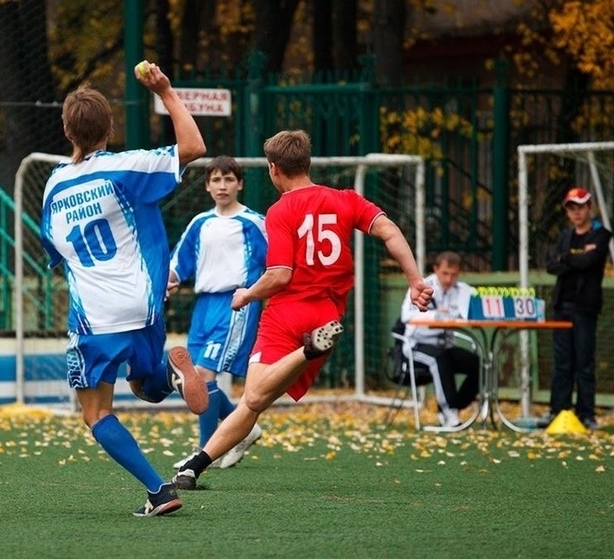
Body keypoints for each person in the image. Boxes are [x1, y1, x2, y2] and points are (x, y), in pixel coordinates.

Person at [172, 129, 434, 489]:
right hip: (326, 315)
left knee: (254, 397)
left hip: (286, 314)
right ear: (307, 163)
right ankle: (195, 467)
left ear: (274, 168)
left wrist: (247, 295)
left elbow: (280, 275)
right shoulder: (345, 199)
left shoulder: (281, 210)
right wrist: (415, 279)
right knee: (254, 399)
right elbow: (389, 230)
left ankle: (305, 351)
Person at [39, 61, 209, 517]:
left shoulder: (53, 185)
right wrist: (165, 91)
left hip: (96, 315)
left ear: (66, 130)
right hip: (144, 301)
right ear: (110, 128)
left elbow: (57, 256)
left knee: (96, 414)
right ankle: (169, 376)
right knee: (144, 384)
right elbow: (194, 146)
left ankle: (159, 491)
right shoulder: (126, 167)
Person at [168, 156, 267, 470]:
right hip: (204, 307)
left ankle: (205, 453)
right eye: (216, 180)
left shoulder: (254, 222)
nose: (222, 186)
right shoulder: (200, 223)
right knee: (197, 380)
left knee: (205, 376)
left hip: (236, 303)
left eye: (228, 179)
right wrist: (166, 283)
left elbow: (276, 263)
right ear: (208, 185)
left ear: (239, 183)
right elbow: (178, 263)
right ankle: (245, 429)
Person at [541, 187, 612, 430]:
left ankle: (586, 414)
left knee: (584, 361)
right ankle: (557, 411)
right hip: (562, 306)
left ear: (589, 208)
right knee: (562, 362)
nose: (576, 212)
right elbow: (551, 265)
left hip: (585, 307)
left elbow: (590, 262)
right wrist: (576, 257)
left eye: (581, 207)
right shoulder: (565, 236)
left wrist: (567, 258)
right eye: (572, 208)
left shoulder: (601, 234)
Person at [400, 251, 480, 428]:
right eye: (445, 273)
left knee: (480, 364)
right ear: (435, 269)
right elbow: (406, 315)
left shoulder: (463, 290)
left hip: (446, 344)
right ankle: (449, 413)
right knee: (439, 359)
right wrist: (435, 316)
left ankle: (455, 406)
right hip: (417, 345)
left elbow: (475, 309)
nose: (449, 279)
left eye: (454, 274)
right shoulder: (421, 286)